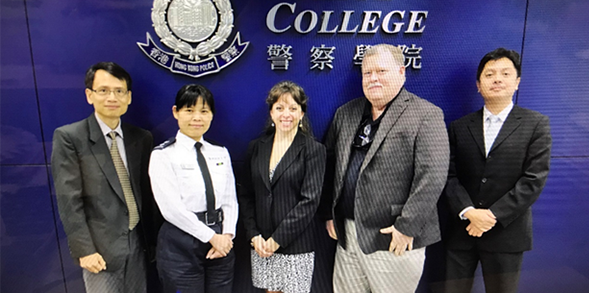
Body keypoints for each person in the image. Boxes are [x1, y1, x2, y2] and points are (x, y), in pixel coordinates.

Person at [322, 44, 450, 293]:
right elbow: (329, 166)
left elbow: (432, 176)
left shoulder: (425, 115)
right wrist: (329, 212)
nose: (373, 78)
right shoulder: (346, 113)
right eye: (367, 73)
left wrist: (406, 227)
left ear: (401, 72)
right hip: (347, 234)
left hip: (394, 235)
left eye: (381, 71)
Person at [444, 48, 552, 293]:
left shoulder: (536, 124)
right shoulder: (459, 127)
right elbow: (449, 176)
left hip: (507, 233)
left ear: (517, 82)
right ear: (478, 85)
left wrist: (490, 216)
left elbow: (533, 180)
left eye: (505, 73)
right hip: (462, 231)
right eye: (489, 74)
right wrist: (469, 212)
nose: (497, 79)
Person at [51, 62, 154, 293]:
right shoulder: (70, 137)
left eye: (119, 91)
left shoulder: (141, 138)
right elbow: (69, 200)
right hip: (99, 250)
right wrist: (84, 250)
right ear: (89, 95)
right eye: (104, 90)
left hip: (138, 243)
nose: (112, 97)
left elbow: (147, 192)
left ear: (128, 97)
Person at [149, 84, 238, 293]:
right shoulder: (163, 155)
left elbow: (230, 200)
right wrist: (211, 237)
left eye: (204, 111)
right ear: (175, 112)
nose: (197, 117)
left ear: (211, 115)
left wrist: (227, 236)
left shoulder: (220, 152)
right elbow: (171, 209)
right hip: (181, 243)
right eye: (189, 110)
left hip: (221, 242)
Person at [238, 81, 326, 293]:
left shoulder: (314, 150)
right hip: (262, 243)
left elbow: (309, 201)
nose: (286, 114)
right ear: (271, 112)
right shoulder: (256, 147)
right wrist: (253, 234)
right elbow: (247, 194)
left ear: (302, 113)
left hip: (295, 243)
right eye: (280, 108)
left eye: (293, 108)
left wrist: (278, 239)